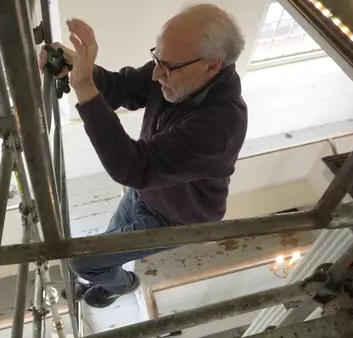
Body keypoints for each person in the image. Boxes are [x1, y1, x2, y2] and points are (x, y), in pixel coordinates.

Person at [39, 4, 248, 308]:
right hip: (146, 192)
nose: (156, 73)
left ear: (211, 66)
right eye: (156, 59)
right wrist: (76, 66)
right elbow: (124, 88)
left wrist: (84, 86)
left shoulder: (220, 126)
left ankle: (124, 284)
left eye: (167, 67)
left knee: (83, 263)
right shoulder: (178, 68)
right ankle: (109, 281)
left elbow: (133, 166)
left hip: (176, 217)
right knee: (104, 253)